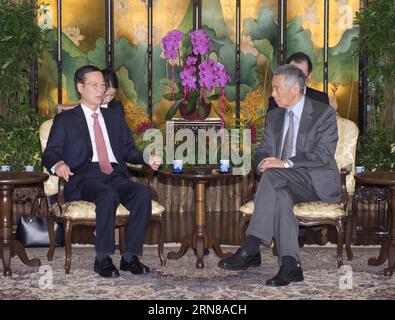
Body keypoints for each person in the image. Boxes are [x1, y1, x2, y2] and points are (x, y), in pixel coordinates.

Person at [218, 64, 341, 287]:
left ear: (295, 89)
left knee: (275, 175)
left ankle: (251, 246)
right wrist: (262, 162)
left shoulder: (323, 114)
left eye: (276, 89)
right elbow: (264, 149)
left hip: (315, 180)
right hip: (283, 181)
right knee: (281, 194)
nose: (272, 94)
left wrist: (284, 163)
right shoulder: (275, 116)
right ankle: (290, 264)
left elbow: (323, 155)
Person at [42, 65, 162, 278]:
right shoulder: (65, 120)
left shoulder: (114, 117)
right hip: (83, 177)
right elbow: (50, 152)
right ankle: (103, 258)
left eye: (103, 85)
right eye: (94, 85)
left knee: (142, 193)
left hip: (114, 174)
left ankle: (130, 257)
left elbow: (128, 150)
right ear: (80, 87)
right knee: (107, 195)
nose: (100, 89)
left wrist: (146, 158)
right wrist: (59, 164)